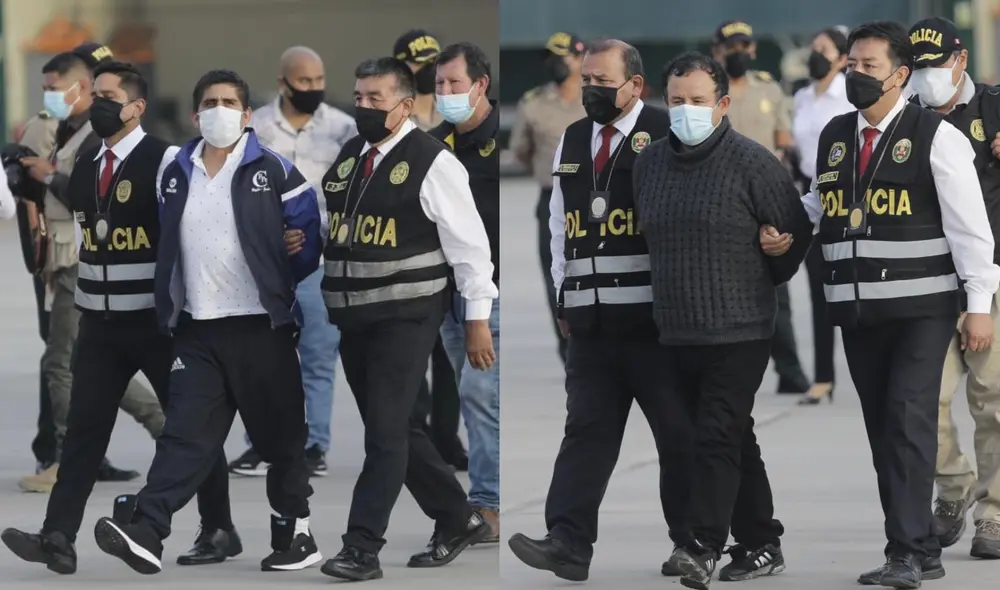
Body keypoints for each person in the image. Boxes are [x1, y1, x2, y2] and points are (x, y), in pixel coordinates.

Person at [767, 20, 1000, 587]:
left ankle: (907, 552)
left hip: (923, 310)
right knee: (882, 431)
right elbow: (824, 201)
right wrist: (786, 227)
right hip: (860, 309)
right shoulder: (837, 135)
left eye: (869, 67)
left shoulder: (937, 138)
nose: (856, 74)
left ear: (900, 75)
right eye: (852, 65)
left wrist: (979, 303)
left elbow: (971, 231)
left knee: (907, 421)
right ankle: (920, 548)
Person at [0, 61, 240, 574]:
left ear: (136, 108)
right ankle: (58, 537)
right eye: (98, 95)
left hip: (156, 324)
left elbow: (198, 230)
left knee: (187, 426)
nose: (99, 103)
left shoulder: (166, 160)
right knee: (85, 432)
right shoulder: (88, 162)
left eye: (110, 96)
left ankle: (217, 526)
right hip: (100, 324)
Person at [90, 69, 323, 575]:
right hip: (196, 328)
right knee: (185, 436)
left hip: (262, 326)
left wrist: (288, 257)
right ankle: (147, 531)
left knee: (280, 439)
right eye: (209, 101)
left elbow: (309, 239)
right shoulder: (176, 169)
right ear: (196, 114)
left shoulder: (275, 170)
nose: (219, 109)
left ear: (246, 114)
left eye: (229, 101)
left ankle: (295, 534)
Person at [506, 39, 694, 583]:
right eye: (586, 79)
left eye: (602, 80)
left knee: (677, 436)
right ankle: (567, 541)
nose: (590, 88)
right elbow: (560, 224)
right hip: (590, 323)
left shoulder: (666, 130)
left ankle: (691, 542)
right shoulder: (572, 137)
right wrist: (563, 293)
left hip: (654, 322)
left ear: (635, 85)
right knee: (585, 432)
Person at [636, 51, 812, 589]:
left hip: (740, 327)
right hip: (675, 329)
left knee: (715, 435)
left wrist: (777, 249)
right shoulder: (648, 164)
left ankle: (701, 545)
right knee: (732, 437)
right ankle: (761, 542)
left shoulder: (752, 161)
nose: (686, 110)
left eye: (698, 101)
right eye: (677, 101)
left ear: (724, 103)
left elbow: (795, 233)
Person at [316, 57, 495, 581]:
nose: (364, 107)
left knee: (385, 435)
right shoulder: (351, 157)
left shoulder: (433, 161)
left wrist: (477, 318)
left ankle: (361, 547)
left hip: (408, 315)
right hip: (354, 318)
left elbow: (471, 249)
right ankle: (457, 517)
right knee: (391, 427)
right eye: (360, 97)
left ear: (406, 104)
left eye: (377, 99)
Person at [17, 50, 162, 494]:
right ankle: (167, 429)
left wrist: (44, 175)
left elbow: (85, 200)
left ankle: (65, 457)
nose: (50, 97)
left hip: (90, 265)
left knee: (64, 361)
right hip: (68, 260)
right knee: (86, 362)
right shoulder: (67, 131)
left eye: (56, 87)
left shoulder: (112, 144)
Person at [230, 45, 354, 478]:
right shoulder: (257, 127)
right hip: (266, 263)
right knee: (263, 359)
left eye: (319, 81)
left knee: (319, 355)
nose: (313, 89)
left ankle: (314, 445)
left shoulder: (344, 128)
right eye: (304, 81)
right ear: (283, 82)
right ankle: (262, 445)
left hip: (319, 260)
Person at [907, 16, 1000, 560]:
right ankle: (955, 486)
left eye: (935, 66)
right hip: (931, 280)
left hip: (991, 275)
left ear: (959, 59)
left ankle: (993, 512)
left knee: (992, 403)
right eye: (917, 68)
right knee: (924, 401)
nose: (926, 77)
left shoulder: (991, 107)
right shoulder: (905, 116)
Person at [427, 41, 501, 542]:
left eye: (454, 84)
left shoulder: (499, 139)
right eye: (438, 85)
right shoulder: (432, 146)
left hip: (490, 292)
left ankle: (488, 504)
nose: (446, 93)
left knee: (481, 393)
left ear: (480, 86)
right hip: (446, 294)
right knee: (471, 392)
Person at [711, 20, 810, 395]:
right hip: (720, 200)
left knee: (776, 290)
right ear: (716, 50)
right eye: (730, 47)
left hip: (764, 199)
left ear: (752, 50)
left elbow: (784, 140)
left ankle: (790, 370)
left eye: (744, 46)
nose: (738, 53)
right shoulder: (705, 90)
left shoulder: (767, 88)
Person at [392, 29, 467, 468]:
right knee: (413, 354)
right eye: (419, 64)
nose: (428, 72)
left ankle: (446, 436)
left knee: (448, 354)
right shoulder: (397, 114)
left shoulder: (449, 114)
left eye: (432, 63)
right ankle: (414, 432)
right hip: (410, 245)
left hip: (445, 245)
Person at [509, 32, 587, 365]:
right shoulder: (534, 102)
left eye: (564, 56)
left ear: (580, 58)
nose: (557, 64)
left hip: (593, 199)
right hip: (552, 197)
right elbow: (521, 150)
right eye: (552, 57)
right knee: (555, 273)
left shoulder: (594, 97)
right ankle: (568, 349)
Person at [791, 27, 854, 405]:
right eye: (813, 48)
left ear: (842, 58)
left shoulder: (848, 95)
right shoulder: (800, 96)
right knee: (816, 288)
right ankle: (823, 376)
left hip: (842, 196)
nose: (816, 55)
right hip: (807, 192)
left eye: (824, 49)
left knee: (844, 287)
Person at [394, 29, 444, 131]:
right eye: (420, 62)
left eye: (434, 61)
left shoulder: (452, 115)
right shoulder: (394, 122)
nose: (430, 67)